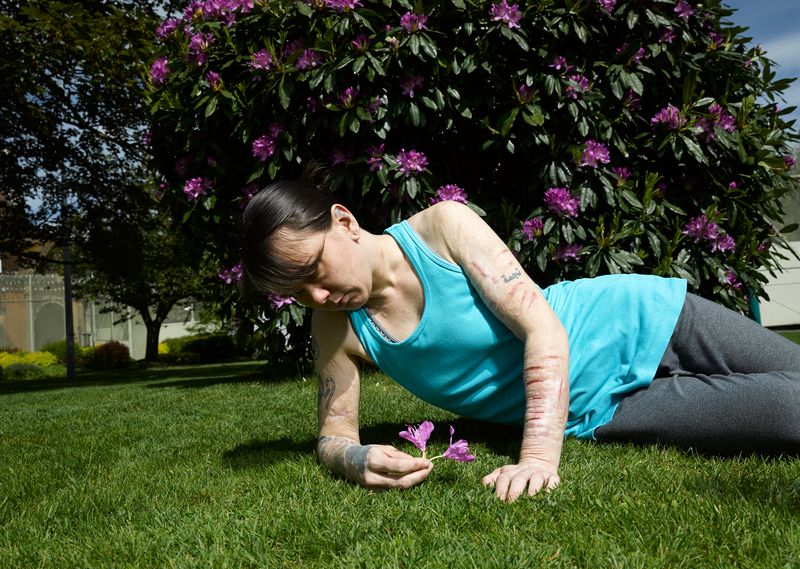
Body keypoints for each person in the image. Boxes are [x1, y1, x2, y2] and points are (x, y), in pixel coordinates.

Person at [240, 179, 800, 502]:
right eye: (297, 292)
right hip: (603, 409)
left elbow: (541, 326)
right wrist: (354, 457)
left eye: (314, 269)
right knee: (787, 411)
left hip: (645, 317)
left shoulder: (442, 228)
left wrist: (535, 458)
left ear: (343, 221)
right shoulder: (336, 326)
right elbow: (332, 434)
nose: (317, 295)